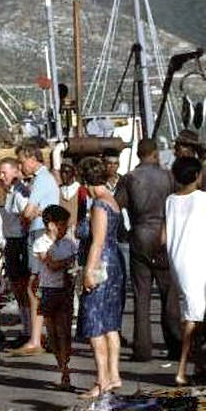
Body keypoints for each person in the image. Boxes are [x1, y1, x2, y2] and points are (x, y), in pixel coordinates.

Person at [114, 139, 181, 361]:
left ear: (139, 154)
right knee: (168, 293)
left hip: (140, 235)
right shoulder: (169, 176)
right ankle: (175, 344)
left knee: (141, 296)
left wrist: (125, 231)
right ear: (154, 153)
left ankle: (142, 349)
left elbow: (116, 207)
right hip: (164, 235)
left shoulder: (130, 178)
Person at [164, 156, 206, 386]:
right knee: (193, 317)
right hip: (197, 261)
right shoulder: (204, 198)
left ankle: (198, 363)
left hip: (177, 261)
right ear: (197, 176)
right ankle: (182, 369)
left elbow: (164, 235)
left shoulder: (170, 200)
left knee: (193, 312)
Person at [76, 156, 126, 397]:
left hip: (101, 264)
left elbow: (97, 242)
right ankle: (113, 374)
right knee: (111, 322)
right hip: (115, 260)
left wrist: (87, 273)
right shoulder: (112, 200)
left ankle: (101, 379)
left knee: (95, 321)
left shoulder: (98, 205)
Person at [11, 142, 60, 355]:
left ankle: (35, 338)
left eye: (22, 162)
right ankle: (40, 336)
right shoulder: (44, 179)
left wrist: (28, 214)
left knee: (34, 286)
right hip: (43, 231)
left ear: (32, 158)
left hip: (39, 233)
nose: (22, 167)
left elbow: (29, 211)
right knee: (40, 285)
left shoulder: (41, 179)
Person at [36, 205, 79, 388]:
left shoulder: (69, 243)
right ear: (51, 225)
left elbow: (65, 264)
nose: (65, 229)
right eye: (62, 225)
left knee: (64, 332)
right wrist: (67, 262)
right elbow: (51, 265)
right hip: (48, 289)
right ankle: (61, 364)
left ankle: (65, 371)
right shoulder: (41, 242)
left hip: (65, 290)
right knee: (53, 333)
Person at [0, 157, 33, 346]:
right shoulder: (10, 193)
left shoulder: (20, 193)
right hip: (12, 241)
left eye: (4, 172)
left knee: (22, 286)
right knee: (17, 288)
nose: (0, 176)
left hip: (20, 241)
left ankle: (29, 331)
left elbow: (25, 217)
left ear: (14, 172)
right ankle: (25, 329)